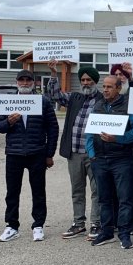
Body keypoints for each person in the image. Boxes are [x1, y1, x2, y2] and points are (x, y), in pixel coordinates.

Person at [0, 69, 60, 243]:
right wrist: (9, 121)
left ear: (34, 83)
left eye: (28, 80)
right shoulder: (7, 102)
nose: (24, 83)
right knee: (12, 192)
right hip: (14, 153)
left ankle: (38, 225)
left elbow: (53, 128)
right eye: (21, 80)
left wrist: (49, 154)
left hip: (36, 153)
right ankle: (12, 226)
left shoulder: (43, 102)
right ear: (16, 82)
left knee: (38, 191)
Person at [86, 75, 133, 248]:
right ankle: (107, 232)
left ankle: (124, 234)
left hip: (121, 159)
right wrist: (91, 154)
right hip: (100, 159)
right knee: (104, 198)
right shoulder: (98, 105)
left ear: (119, 88)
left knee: (124, 199)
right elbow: (90, 132)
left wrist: (118, 139)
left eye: (109, 87)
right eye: (104, 86)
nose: (105, 90)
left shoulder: (130, 106)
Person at [47, 63, 102, 239]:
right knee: (77, 190)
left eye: (89, 79)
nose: (86, 82)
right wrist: (53, 74)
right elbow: (55, 95)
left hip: (95, 154)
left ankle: (96, 223)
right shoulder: (74, 97)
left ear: (95, 81)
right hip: (75, 152)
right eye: (83, 79)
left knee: (97, 190)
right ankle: (78, 223)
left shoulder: (103, 99)